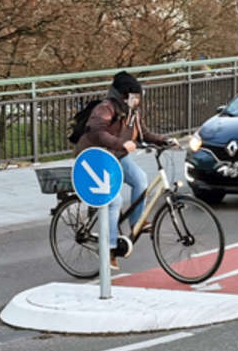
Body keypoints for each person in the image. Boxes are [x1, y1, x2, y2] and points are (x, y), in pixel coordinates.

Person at [73, 71, 176, 269]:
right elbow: (96, 132)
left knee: (140, 179)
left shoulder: (132, 112)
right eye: (135, 96)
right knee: (115, 201)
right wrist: (121, 143)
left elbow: (144, 134)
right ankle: (109, 249)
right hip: (95, 157)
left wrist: (164, 140)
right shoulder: (105, 108)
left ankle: (137, 222)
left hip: (116, 155)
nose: (138, 100)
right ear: (124, 96)